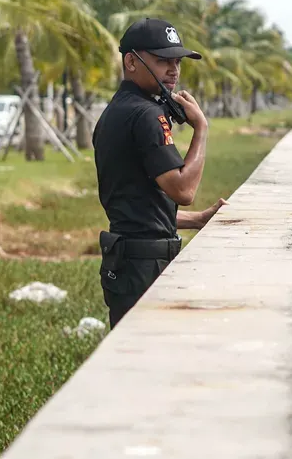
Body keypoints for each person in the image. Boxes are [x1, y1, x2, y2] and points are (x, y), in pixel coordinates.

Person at [93, 17, 226, 328]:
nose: (173, 70)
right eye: (162, 60)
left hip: (127, 261)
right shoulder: (146, 115)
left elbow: (133, 203)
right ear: (131, 61)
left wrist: (197, 221)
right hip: (145, 266)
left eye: (177, 61)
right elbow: (183, 191)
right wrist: (201, 130)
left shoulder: (115, 112)